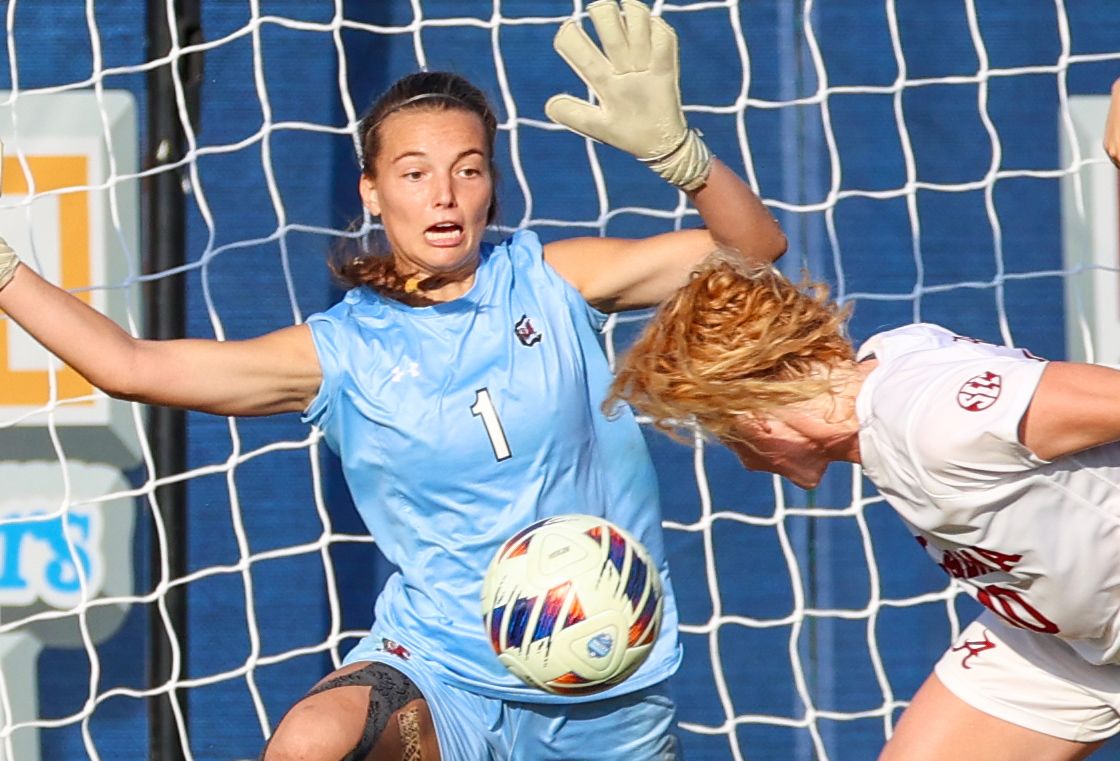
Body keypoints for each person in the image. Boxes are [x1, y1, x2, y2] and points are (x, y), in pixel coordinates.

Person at [0, 1, 786, 759]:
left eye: (467, 169)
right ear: (372, 191)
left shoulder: (553, 281)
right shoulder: (343, 351)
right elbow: (128, 366)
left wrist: (681, 156)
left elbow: (754, 249)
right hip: (441, 672)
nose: (443, 194)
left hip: (607, 684)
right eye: (414, 173)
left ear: (491, 186)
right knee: (311, 740)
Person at [607, 255, 1120, 761]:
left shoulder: (933, 418)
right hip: (1064, 647)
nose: (742, 460)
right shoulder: (893, 364)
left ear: (755, 416)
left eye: (724, 432)